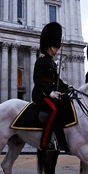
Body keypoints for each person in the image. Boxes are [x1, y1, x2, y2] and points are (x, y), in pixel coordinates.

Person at [32, 22, 70, 151]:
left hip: (49, 93)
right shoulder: (41, 61)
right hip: (41, 95)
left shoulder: (52, 63)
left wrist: (67, 88)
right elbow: (38, 80)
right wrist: (50, 93)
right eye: (56, 47)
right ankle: (44, 142)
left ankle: (62, 140)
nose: (58, 49)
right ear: (50, 46)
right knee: (54, 110)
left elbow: (57, 80)